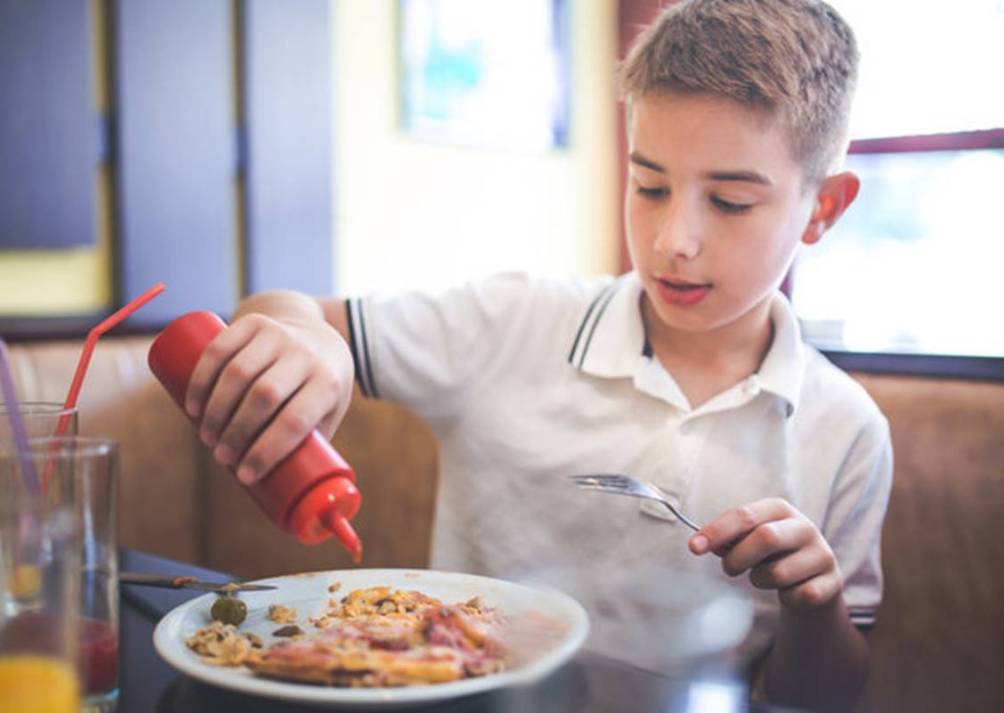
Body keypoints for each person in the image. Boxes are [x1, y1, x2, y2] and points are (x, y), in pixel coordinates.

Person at [182, 1, 891, 710]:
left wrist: (815, 602)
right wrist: (306, 337)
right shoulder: (513, 321)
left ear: (823, 208)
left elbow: (822, 696)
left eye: (730, 201)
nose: (673, 239)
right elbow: (286, 307)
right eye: (649, 186)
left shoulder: (846, 430)